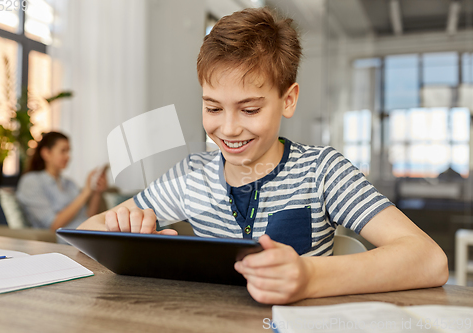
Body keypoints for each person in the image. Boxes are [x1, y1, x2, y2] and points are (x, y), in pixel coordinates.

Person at [78, 8, 448, 304]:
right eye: (213, 108)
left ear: (288, 100)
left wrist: (309, 277)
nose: (228, 128)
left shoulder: (321, 171)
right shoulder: (192, 175)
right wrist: (126, 226)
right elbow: (86, 233)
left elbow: (429, 260)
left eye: (249, 109)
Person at [17, 131, 107, 234]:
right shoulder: (31, 181)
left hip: (86, 232)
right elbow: (53, 224)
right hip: (66, 238)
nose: (68, 156)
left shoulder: (70, 183)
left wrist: (96, 193)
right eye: (63, 151)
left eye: (69, 151)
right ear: (46, 153)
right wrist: (85, 193)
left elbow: (88, 217)